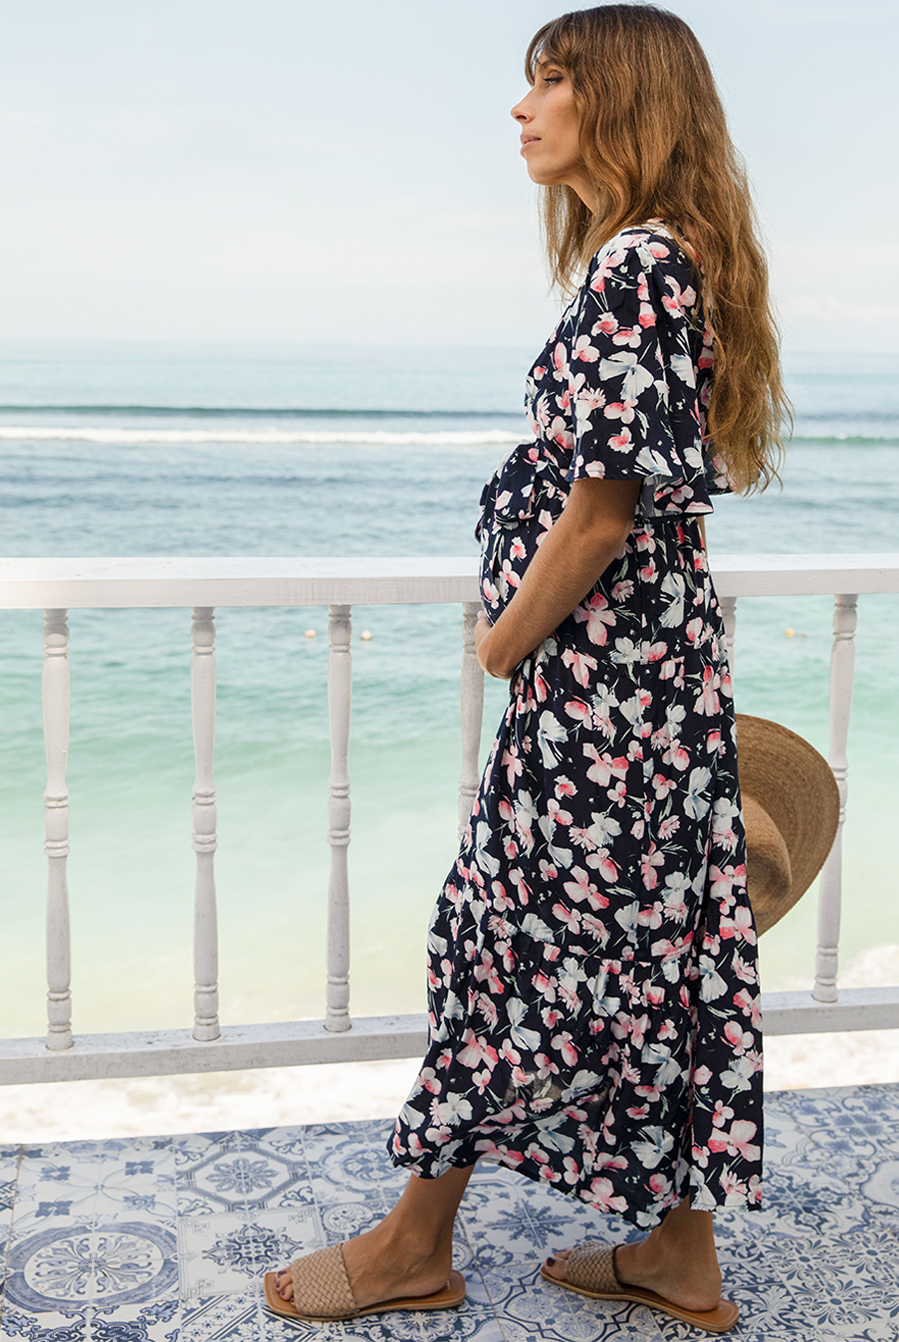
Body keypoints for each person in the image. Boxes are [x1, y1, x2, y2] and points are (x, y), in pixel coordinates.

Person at [266, 3, 788, 1332]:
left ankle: (412, 1245)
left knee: (505, 942)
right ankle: (681, 1255)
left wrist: (502, 641)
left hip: (600, 694)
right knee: (657, 951)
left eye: (550, 79)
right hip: (652, 684)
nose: (521, 105)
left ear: (619, 102)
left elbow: (601, 515)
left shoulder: (636, 268)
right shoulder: (677, 257)